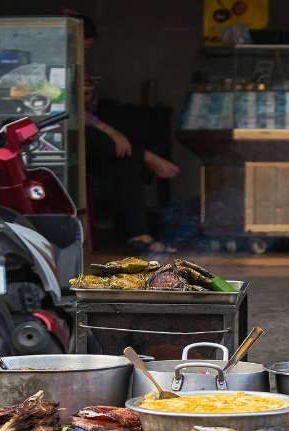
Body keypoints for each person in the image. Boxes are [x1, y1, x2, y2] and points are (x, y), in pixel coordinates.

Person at [74, 12, 180, 254]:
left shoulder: (82, 69)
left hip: (91, 143)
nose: (84, 53)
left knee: (125, 164)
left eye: (87, 50)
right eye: (82, 47)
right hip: (67, 137)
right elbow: (73, 112)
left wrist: (89, 95)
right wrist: (110, 131)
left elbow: (87, 108)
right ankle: (147, 156)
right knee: (110, 141)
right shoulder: (55, 65)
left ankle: (138, 235)